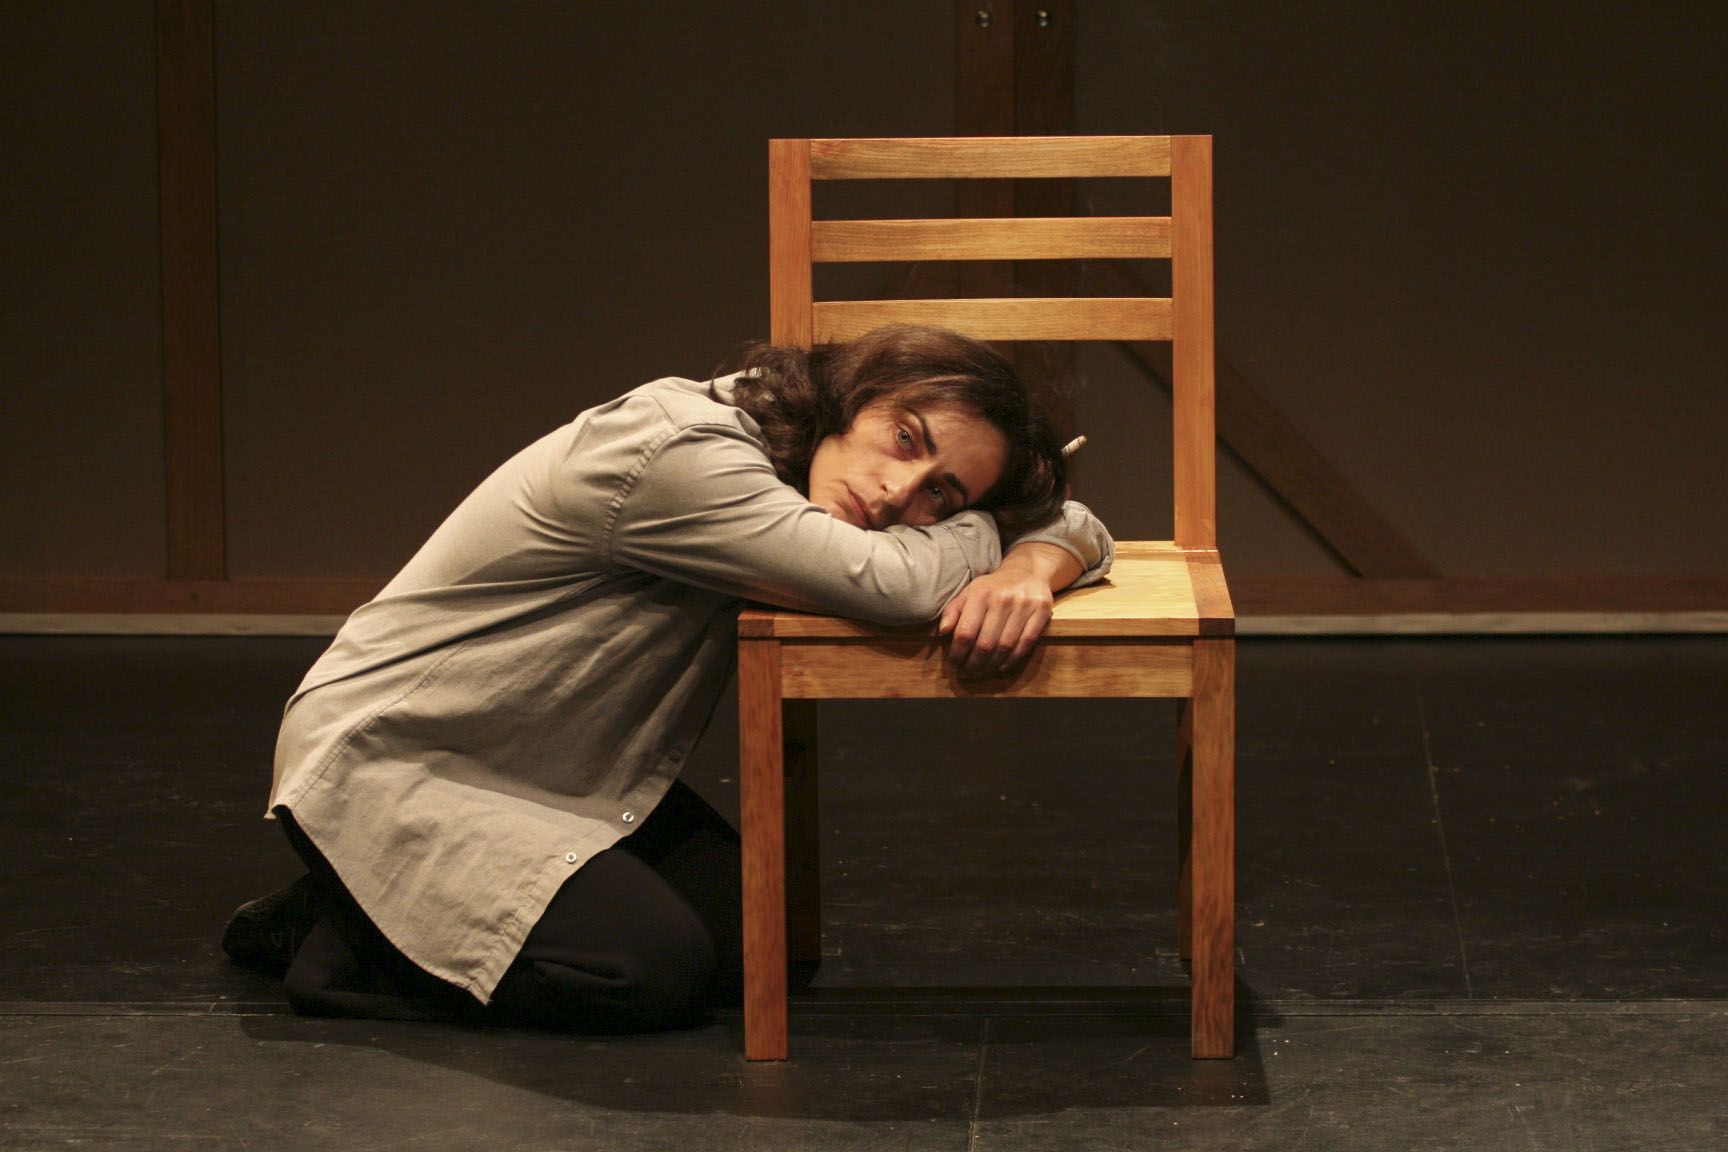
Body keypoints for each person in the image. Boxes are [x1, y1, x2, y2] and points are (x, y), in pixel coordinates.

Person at [223, 324, 1113, 1032]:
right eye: (904, 439)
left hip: (544, 769)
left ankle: (390, 910)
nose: (894, 495)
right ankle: (338, 942)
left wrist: (1030, 565)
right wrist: (1000, 534)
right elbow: (893, 583)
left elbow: (1078, 526)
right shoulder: (685, 452)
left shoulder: (793, 458)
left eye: (942, 494)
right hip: (403, 759)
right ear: (855, 393)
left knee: (762, 945)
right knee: (644, 973)